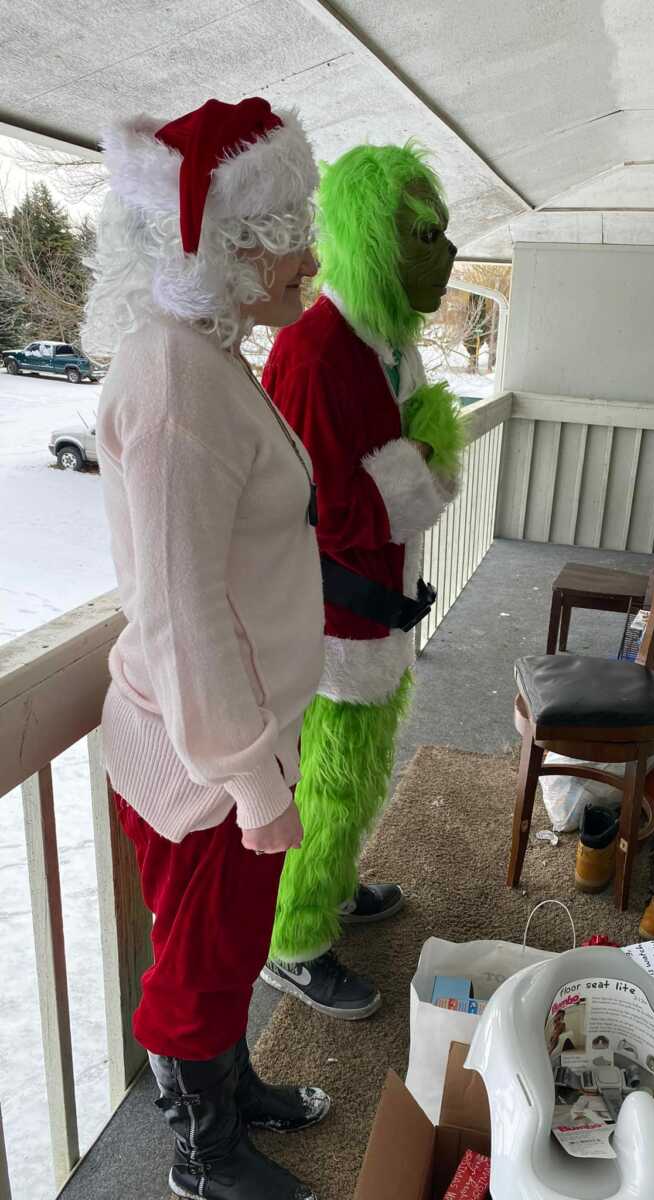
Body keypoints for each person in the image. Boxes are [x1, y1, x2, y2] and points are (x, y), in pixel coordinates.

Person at [83, 97, 329, 1200]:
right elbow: (182, 612)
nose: (308, 258)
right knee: (199, 961)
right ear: (219, 248)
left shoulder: (208, 355)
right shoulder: (180, 379)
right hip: (202, 756)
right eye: (284, 234)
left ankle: (230, 1086)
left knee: (232, 946)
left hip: (232, 740)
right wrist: (244, 771)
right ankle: (202, 1150)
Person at [260, 142, 465, 1018]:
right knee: (329, 786)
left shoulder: (385, 345)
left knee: (359, 776)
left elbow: (399, 475)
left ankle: (334, 888)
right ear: (371, 235)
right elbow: (324, 507)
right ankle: (294, 944)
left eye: (442, 232)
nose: (444, 253)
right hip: (332, 624)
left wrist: (417, 458)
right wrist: (423, 457)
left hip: (373, 615)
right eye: (423, 233)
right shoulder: (312, 354)